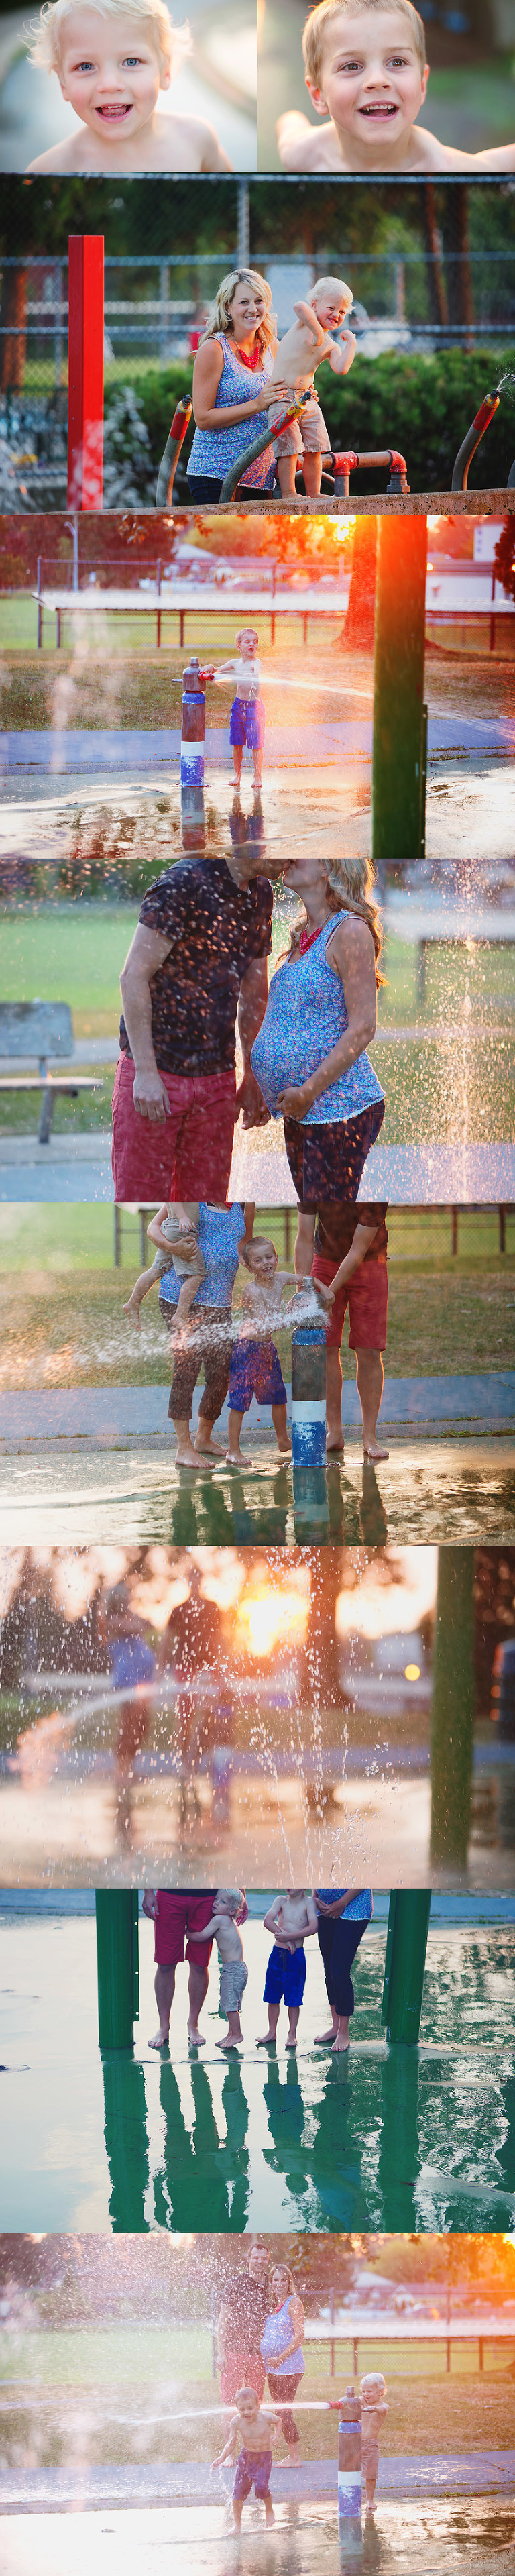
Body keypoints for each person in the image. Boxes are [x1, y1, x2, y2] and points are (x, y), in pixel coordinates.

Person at [111, 835, 278, 1205]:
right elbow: (133, 976)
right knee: (144, 1199)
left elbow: (255, 991)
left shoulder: (262, 892)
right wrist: (146, 1073)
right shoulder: (185, 882)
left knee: (208, 1208)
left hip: (217, 1082)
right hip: (158, 1073)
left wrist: (252, 1075)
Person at [251, 850, 385, 1204]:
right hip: (302, 1110)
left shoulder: (350, 929)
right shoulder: (305, 935)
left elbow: (363, 1028)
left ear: (328, 866)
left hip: (339, 1108)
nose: (288, 856)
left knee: (332, 1223)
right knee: (316, 1216)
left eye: (304, 850)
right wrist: (271, 1090)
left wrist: (308, 1090)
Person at [276, 0, 515, 174]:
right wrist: (290, 119)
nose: (378, 80)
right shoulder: (302, 154)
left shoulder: (441, 167)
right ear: (318, 95)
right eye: (351, 66)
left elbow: (496, 164)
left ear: (422, 85)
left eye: (397, 62)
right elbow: (288, 126)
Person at [27, 0, 233, 171]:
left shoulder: (196, 140)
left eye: (131, 61)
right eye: (86, 66)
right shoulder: (49, 170)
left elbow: (236, 199)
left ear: (165, 71)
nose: (109, 85)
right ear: (63, 83)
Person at [158, 1199, 250, 1470]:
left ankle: (203, 1438)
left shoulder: (244, 1202)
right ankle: (183, 1448)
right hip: (181, 1300)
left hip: (220, 1302)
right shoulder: (191, 1196)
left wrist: (262, 1266)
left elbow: (244, 1244)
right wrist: (173, 1247)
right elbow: (154, 1229)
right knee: (186, 1368)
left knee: (220, 1374)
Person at [294, 1202, 389, 1460]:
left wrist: (329, 1292)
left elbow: (357, 1252)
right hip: (324, 1262)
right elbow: (304, 1237)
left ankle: (370, 1436)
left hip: (369, 1262)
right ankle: (334, 1433)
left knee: (369, 1350)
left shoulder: (372, 1185)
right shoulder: (313, 1175)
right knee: (325, 1346)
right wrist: (304, 1287)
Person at [187, 270, 287, 503]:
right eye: (244, 302)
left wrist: (302, 396)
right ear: (228, 308)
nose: (253, 309)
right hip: (215, 474)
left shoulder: (272, 346)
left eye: (259, 301)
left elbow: (285, 394)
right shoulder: (214, 349)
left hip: (262, 476)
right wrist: (257, 404)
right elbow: (202, 418)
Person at [267, 277, 356, 499]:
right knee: (290, 447)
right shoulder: (305, 323)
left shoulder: (330, 344)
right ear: (315, 305)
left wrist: (351, 343)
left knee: (316, 447)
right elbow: (299, 306)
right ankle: (289, 492)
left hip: (308, 399)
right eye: (331, 307)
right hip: (282, 396)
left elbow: (341, 368)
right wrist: (317, 331)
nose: (337, 314)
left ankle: (314, 492)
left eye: (343, 312)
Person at [227, 1234, 294, 1467]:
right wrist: (292, 1317)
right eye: (258, 1260)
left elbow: (306, 1279)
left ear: (277, 1257)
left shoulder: (281, 1279)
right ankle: (233, 1451)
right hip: (247, 1350)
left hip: (266, 1349)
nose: (266, 1263)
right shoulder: (253, 1291)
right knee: (240, 1402)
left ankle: (283, 1439)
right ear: (250, 1267)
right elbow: (265, 1323)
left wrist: (323, 1290)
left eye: (269, 1257)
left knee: (279, 1397)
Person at [143, 1886, 219, 2047]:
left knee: (200, 1963)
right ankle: (163, 2027)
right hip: (170, 1894)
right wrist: (148, 1892)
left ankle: (193, 2025)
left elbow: (234, 1860)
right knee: (165, 1963)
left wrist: (241, 1893)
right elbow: (150, 1860)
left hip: (207, 1895)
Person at [123, 1202, 204, 1332]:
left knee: (156, 1270)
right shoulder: (184, 1182)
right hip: (181, 1229)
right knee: (197, 1275)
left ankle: (133, 1303)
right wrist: (183, 1217)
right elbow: (175, 1197)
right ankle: (180, 1316)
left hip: (172, 1227)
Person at [314, 1888, 373, 2051]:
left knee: (339, 1971)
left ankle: (343, 2033)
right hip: (325, 1908)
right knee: (329, 1970)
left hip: (353, 1908)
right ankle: (335, 2026)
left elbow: (364, 1875)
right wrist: (315, 1898)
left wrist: (342, 1903)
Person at [258, 1890, 318, 2049]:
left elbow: (314, 1927)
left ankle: (292, 2034)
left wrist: (291, 1938)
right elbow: (268, 1921)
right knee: (272, 1996)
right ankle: (272, 2032)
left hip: (295, 1957)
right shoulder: (281, 1901)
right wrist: (283, 1935)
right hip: (277, 1954)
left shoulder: (309, 1903)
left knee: (294, 1998)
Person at [212, 2387, 280, 2527]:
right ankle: (237, 2524)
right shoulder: (236, 2422)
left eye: (250, 2408)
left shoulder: (266, 2417)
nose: (247, 2412)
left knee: (261, 2487)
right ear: (237, 2408)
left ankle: (269, 2509)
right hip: (246, 2457)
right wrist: (222, 2457)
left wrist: (277, 2435)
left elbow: (278, 2421)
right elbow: (231, 2442)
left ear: (258, 2406)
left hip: (263, 2458)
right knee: (237, 2493)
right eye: (242, 2409)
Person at [209, 627, 266, 790]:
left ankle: (257, 776)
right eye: (247, 642)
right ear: (238, 645)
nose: (252, 645)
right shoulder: (235, 664)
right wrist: (210, 667)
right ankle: (237, 774)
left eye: (255, 642)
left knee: (256, 745)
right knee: (237, 743)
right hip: (238, 706)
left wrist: (252, 674)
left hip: (255, 708)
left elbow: (257, 670)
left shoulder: (256, 663)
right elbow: (216, 671)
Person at [260, 2264, 306, 2462]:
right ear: (271, 2283)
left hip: (289, 2367)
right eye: (275, 2280)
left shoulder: (294, 2303)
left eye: (283, 2280)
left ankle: (294, 2458)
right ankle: (291, 2455)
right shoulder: (271, 2304)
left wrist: (280, 2358)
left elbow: (300, 2336)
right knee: (280, 2410)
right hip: (273, 2368)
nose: (279, 2284)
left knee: (284, 2411)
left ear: (289, 2283)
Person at [217, 2241, 272, 2406]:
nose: (260, 2262)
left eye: (263, 2258)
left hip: (259, 2354)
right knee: (230, 2402)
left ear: (268, 2260)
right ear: (248, 2258)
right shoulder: (235, 2284)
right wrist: (221, 2353)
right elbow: (223, 2320)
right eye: (256, 2258)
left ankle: (251, 2433)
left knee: (255, 2402)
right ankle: (231, 2433)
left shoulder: (272, 2285)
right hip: (234, 2352)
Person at [192, 1890, 249, 2049]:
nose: (216, 1903)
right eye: (217, 1899)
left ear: (232, 1911)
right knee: (234, 2004)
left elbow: (203, 1936)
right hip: (239, 1968)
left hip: (232, 1969)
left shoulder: (219, 1920)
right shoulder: (227, 1920)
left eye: (222, 1902)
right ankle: (231, 2034)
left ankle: (237, 2034)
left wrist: (187, 1933)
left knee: (229, 2004)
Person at [360, 2371, 388, 2514]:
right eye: (364, 2391)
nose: (366, 2394)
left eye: (369, 2391)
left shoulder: (383, 2406)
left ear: (380, 2391)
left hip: (371, 2444)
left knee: (371, 2475)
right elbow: (355, 2402)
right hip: (355, 2443)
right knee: (350, 2471)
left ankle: (369, 2499)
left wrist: (375, 2409)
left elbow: (383, 2410)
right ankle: (350, 2495)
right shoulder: (362, 2401)